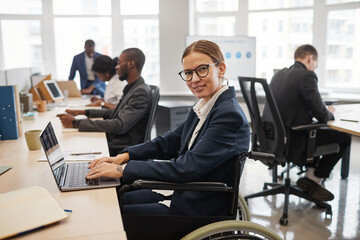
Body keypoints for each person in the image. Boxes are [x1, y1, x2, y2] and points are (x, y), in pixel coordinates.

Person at [86, 40, 250, 216]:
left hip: (196, 207)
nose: (194, 79)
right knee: (114, 198)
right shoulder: (207, 105)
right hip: (182, 191)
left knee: (113, 213)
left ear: (221, 69)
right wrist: (124, 156)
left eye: (202, 69)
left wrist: (123, 169)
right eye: (188, 73)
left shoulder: (228, 115)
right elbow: (168, 142)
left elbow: (185, 167)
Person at [269, 44, 351, 201]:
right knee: (344, 138)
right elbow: (323, 117)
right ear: (310, 58)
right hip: (295, 141)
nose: (314, 69)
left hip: (275, 139)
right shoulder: (307, 76)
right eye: (315, 65)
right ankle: (314, 178)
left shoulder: (279, 75)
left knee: (317, 132)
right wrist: (330, 112)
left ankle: (311, 172)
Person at [59, 48, 151, 156]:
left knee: (75, 145)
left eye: (119, 63)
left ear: (131, 64)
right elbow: (113, 112)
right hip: (116, 140)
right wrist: (83, 112)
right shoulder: (131, 88)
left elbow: (119, 125)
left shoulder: (140, 92)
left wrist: (76, 123)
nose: (116, 67)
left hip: (122, 146)